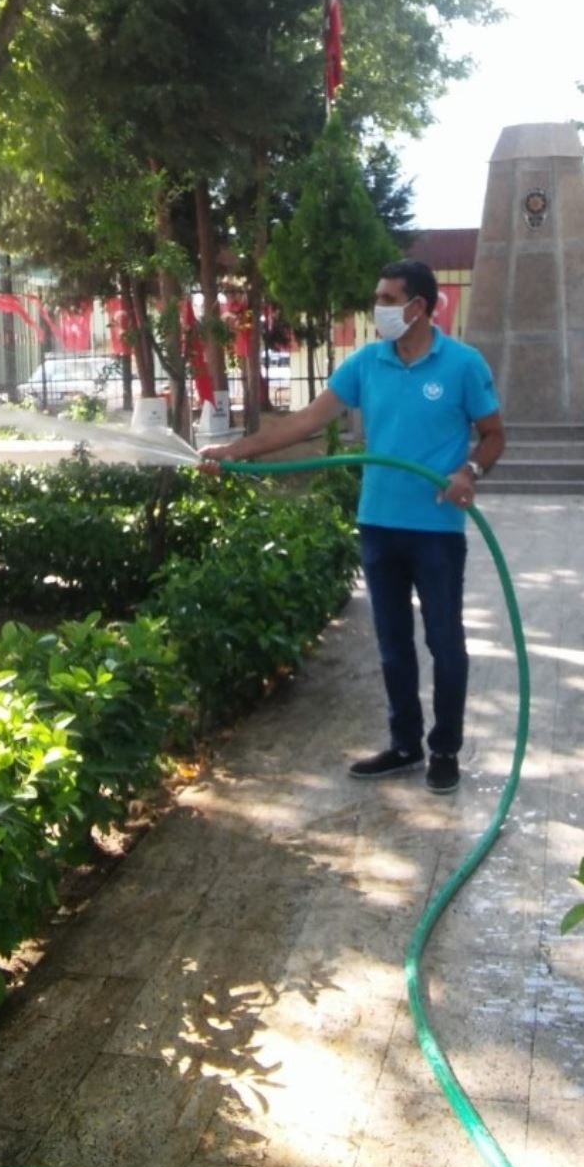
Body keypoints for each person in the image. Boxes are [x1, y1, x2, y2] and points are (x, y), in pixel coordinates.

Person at [201, 259, 505, 794]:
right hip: (378, 525)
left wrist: (469, 471)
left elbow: (495, 434)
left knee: (445, 641)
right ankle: (405, 744)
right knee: (392, 644)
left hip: (436, 529)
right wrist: (234, 451)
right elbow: (304, 421)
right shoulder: (367, 363)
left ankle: (445, 750)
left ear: (419, 307)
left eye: (388, 299)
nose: (377, 308)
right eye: (378, 297)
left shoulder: (462, 364)